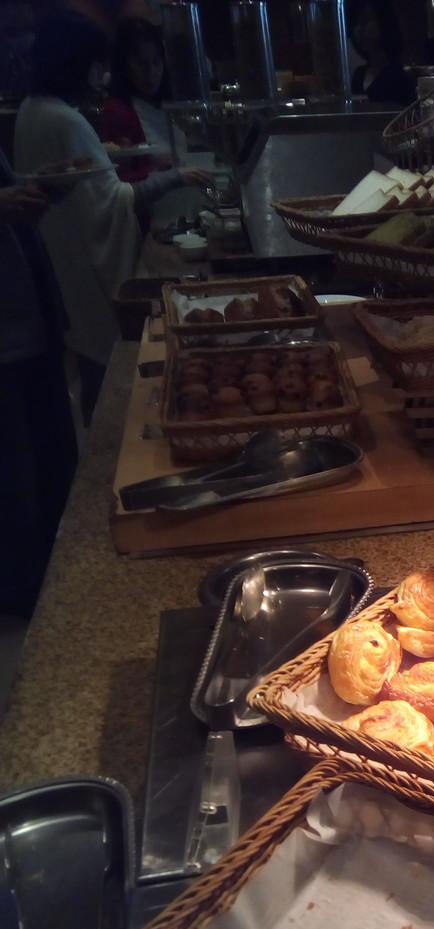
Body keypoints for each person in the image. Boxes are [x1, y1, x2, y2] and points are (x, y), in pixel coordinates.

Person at [14, 13, 203, 419]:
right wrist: (175, 177)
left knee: (89, 360)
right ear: (76, 63)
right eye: (96, 64)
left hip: (63, 258)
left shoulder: (32, 109)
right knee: (105, 369)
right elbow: (113, 200)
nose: (101, 75)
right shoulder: (64, 119)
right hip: (83, 263)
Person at [0, 152, 78, 618]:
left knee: (53, 464)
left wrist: (33, 187)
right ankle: (25, 598)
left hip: (31, 325)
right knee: (15, 480)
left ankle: (56, 586)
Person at [99, 18, 195, 190]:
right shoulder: (117, 110)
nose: (151, 72)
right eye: (140, 64)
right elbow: (112, 183)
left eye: (156, 62)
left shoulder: (170, 104)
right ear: (124, 66)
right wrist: (154, 168)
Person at [350, 0, 415, 104]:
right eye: (356, 23)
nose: (359, 29)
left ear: (384, 22)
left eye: (366, 20)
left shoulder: (399, 78)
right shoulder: (358, 75)